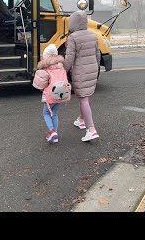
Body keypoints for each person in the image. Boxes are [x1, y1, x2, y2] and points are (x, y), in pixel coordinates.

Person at [63, 10, 101, 142]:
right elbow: (98, 54)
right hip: (92, 69)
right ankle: (81, 120)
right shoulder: (93, 35)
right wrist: (95, 68)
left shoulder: (72, 37)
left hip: (81, 71)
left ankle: (91, 130)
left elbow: (69, 58)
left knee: (83, 99)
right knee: (84, 97)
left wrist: (63, 71)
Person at [32, 44, 67, 144]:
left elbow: (40, 85)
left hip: (50, 96)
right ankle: (55, 136)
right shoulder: (61, 67)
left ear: (46, 56)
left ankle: (52, 131)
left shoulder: (45, 69)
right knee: (54, 114)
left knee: (46, 113)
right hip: (60, 95)